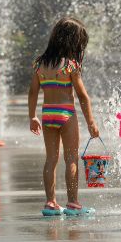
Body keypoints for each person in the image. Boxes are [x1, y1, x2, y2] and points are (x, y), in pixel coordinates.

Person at [28, 17, 100, 217]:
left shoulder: (39, 64)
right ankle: (73, 203)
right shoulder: (70, 66)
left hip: (47, 114)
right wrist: (91, 123)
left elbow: (33, 92)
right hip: (66, 114)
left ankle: (50, 203)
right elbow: (83, 97)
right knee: (71, 160)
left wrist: (32, 116)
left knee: (51, 159)